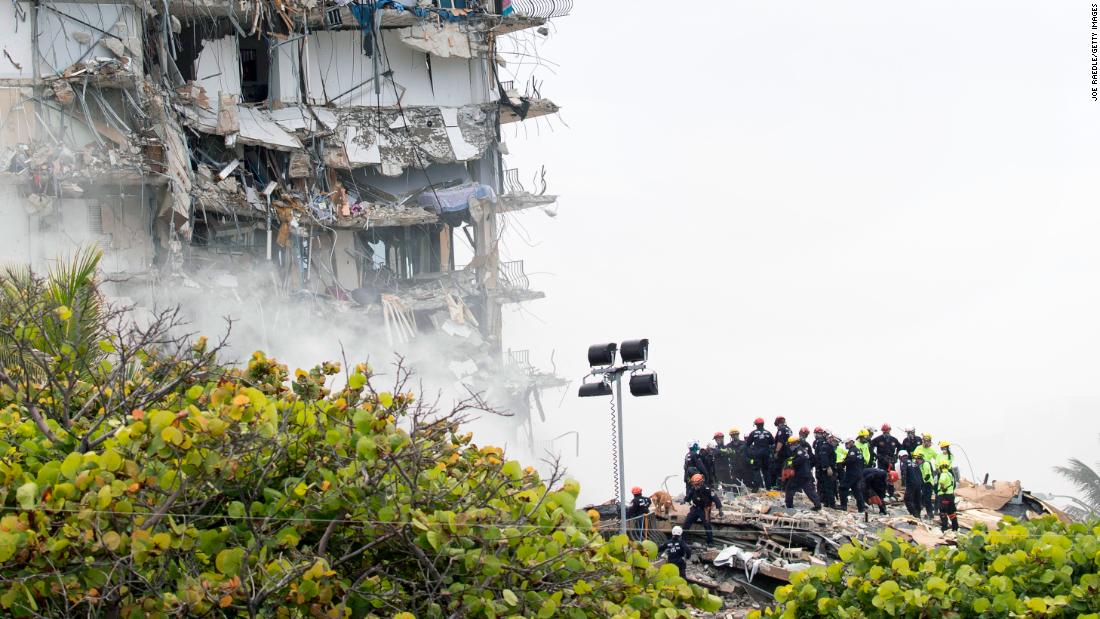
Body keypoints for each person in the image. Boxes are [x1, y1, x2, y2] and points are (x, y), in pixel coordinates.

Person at [784, 436, 822, 510]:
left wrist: (791, 463)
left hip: (800, 474)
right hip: (804, 474)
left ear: (796, 443)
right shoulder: (800, 450)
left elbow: (800, 460)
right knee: (809, 490)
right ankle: (817, 505)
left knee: (789, 489)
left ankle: (789, 505)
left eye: (791, 444)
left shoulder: (799, 450)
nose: (790, 445)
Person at [684, 474, 723, 544]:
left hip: (704, 510)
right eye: (694, 485)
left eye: (697, 484)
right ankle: (684, 540)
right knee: (687, 522)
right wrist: (685, 500)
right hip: (695, 508)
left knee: (707, 525)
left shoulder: (708, 490)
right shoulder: (693, 489)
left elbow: (716, 500)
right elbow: (688, 497)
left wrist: (720, 511)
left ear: (701, 483)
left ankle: (710, 542)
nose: (695, 486)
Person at [838, 438, 867, 512]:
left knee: (843, 487)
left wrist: (842, 463)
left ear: (851, 442)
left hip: (852, 473)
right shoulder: (858, 451)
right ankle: (861, 508)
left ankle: (843, 506)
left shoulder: (853, 451)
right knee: (856, 490)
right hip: (858, 473)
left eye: (847, 443)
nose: (845, 445)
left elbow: (851, 460)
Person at [745, 418, 773, 491]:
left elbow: (748, 444)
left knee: (756, 470)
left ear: (756, 425)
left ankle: (755, 488)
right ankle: (768, 488)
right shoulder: (768, 433)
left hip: (757, 454)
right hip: (766, 454)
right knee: (766, 471)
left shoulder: (753, 433)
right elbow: (772, 443)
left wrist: (749, 453)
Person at [813, 429, 837, 509]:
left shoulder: (828, 446)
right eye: (831, 438)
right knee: (828, 486)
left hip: (827, 468)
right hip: (827, 469)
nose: (832, 440)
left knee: (827, 486)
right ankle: (831, 504)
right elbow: (824, 457)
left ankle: (827, 503)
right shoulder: (825, 446)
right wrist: (827, 467)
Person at [936, 461, 959, 532]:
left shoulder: (943, 474)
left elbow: (941, 482)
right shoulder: (950, 474)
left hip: (944, 496)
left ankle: (944, 528)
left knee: (943, 512)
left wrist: (943, 488)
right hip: (951, 496)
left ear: (941, 467)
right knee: (951, 512)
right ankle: (955, 527)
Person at [771, 416, 793, 490]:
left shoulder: (781, 429)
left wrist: (776, 452)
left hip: (783, 453)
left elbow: (780, 441)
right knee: (788, 469)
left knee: (779, 468)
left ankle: (780, 486)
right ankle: (787, 486)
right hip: (790, 453)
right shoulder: (789, 429)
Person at [899, 451, 922, 517]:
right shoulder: (914, 463)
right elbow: (920, 474)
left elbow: (904, 472)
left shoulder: (905, 463)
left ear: (900, 457)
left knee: (907, 499)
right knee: (917, 499)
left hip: (911, 483)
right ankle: (918, 514)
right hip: (919, 483)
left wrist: (903, 483)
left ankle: (914, 514)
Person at [915, 452, 936, 520]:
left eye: (918, 459)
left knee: (927, 500)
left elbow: (927, 475)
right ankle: (922, 513)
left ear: (921, 459)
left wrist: (922, 482)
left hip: (928, 483)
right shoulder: (920, 465)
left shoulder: (925, 464)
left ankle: (930, 514)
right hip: (924, 484)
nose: (917, 461)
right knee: (922, 499)